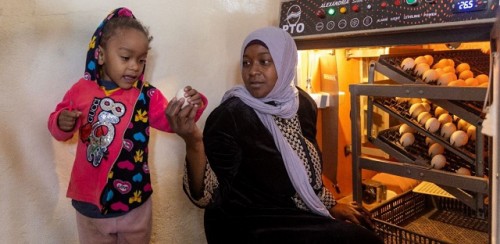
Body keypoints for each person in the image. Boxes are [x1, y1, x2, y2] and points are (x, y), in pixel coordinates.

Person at [167, 26, 382, 243]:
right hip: (246, 223)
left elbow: (307, 171)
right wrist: (193, 141)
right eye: (246, 62)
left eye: (264, 61)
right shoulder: (231, 115)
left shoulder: (302, 104)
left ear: (285, 62)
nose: (252, 71)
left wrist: (332, 205)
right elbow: (207, 196)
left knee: (365, 235)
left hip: (292, 212)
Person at [47, 7, 207, 243]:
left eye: (141, 60)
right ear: (101, 55)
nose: (134, 66)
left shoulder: (146, 95)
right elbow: (57, 128)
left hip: (135, 203)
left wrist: (192, 105)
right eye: (125, 57)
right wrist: (61, 121)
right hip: (91, 206)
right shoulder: (81, 90)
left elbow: (172, 122)